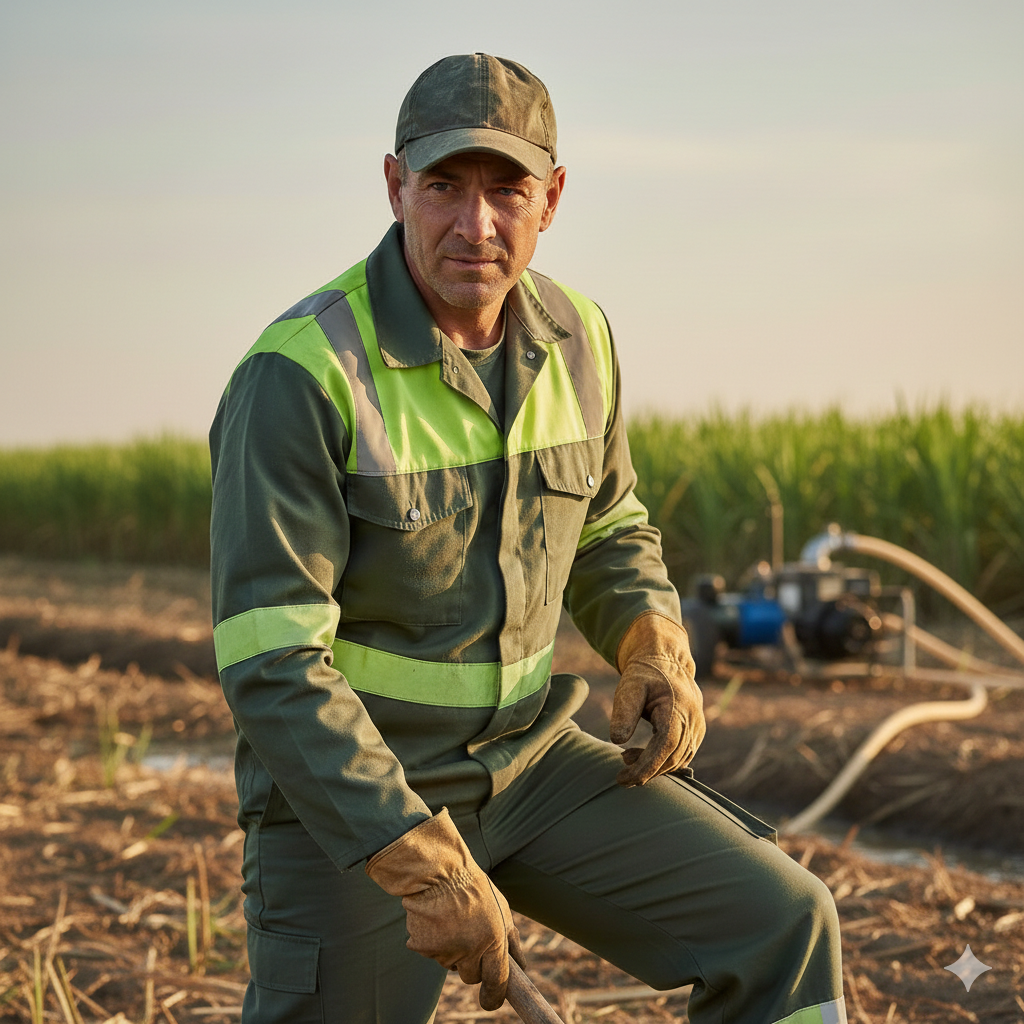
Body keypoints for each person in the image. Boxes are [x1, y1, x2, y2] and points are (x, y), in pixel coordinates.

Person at [210, 53, 846, 1024]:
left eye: (506, 190)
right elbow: (273, 663)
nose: (476, 225)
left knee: (786, 922)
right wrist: (408, 852)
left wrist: (650, 638)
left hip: (531, 764)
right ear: (394, 187)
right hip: (358, 796)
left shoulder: (579, 339)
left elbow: (608, 523)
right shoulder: (303, 375)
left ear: (550, 199)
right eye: (443, 188)